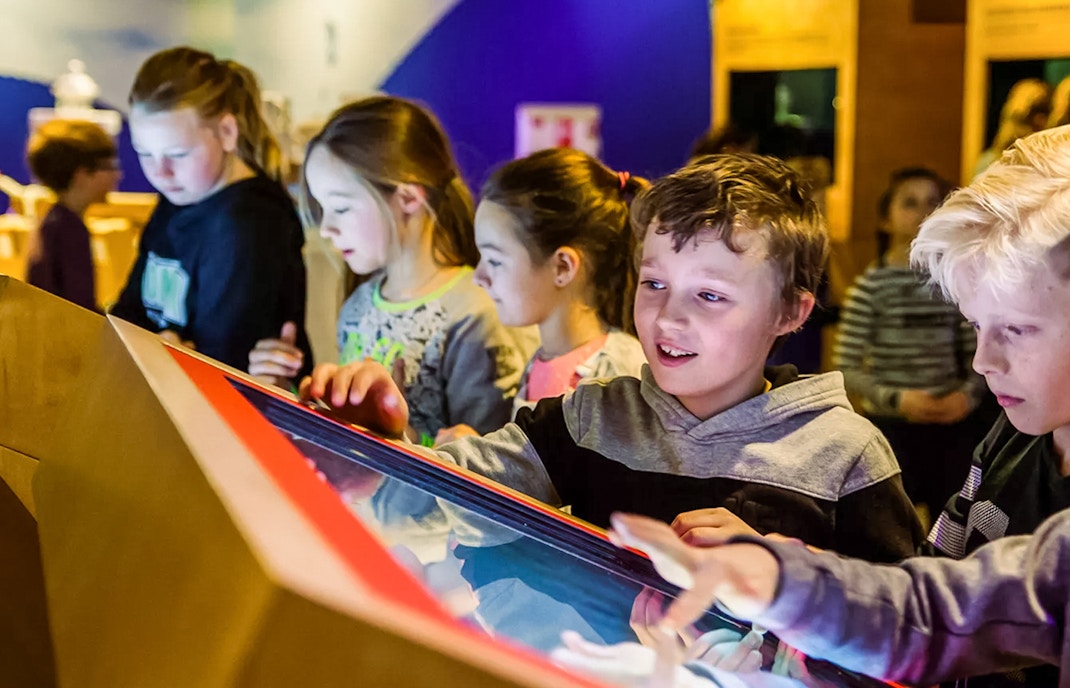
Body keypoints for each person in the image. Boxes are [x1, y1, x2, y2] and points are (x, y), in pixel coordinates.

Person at [607, 126, 1070, 687]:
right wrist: (779, 579)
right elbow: (925, 600)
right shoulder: (1011, 441)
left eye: (1017, 329)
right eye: (977, 325)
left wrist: (789, 584)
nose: (982, 360)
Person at [299, 154, 923, 563]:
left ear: (791, 312)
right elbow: (452, 493)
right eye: (654, 284)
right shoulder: (587, 417)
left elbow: (905, 623)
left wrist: (787, 575)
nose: (668, 317)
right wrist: (381, 447)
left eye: (710, 294)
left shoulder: (846, 454)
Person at [248, 96, 535, 444]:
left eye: (340, 207)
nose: (326, 229)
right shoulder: (358, 306)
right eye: (322, 210)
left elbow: (495, 471)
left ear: (409, 198)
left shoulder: (476, 317)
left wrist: (399, 433)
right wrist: (285, 392)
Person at [110, 46, 311, 373]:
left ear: (228, 132)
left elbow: (220, 362)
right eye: (145, 154)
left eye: (177, 154)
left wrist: (164, 351)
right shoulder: (180, 196)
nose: (160, 172)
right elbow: (127, 314)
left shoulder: (249, 224)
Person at [434, 148, 647, 444]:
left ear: (562, 267)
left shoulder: (618, 373)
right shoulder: (539, 361)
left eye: (495, 261)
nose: (479, 277)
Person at [835, 167, 988, 514]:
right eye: (909, 203)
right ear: (886, 220)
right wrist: (897, 399)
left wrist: (966, 396)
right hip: (893, 429)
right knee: (891, 521)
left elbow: (979, 354)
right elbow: (846, 368)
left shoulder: (954, 286)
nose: (922, 212)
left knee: (954, 520)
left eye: (932, 203)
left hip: (952, 426)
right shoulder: (870, 288)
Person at [24, 119, 121, 310]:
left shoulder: (53, 221)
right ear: (82, 174)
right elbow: (80, 307)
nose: (117, 175)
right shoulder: (70, 230)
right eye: (109, 166)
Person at [974, 78, 1052, 177]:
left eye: (1047, 111)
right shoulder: (990, 161)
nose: (1041, 120)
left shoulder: (1051, 160)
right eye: (1036, 111)